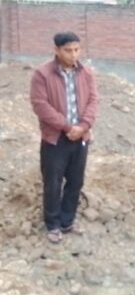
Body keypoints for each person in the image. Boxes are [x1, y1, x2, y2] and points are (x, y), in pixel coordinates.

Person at [30, 31, 99, 244]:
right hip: (55, 138)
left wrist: (84, 126)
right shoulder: (42, 74)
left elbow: (93, 100)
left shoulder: (86, 73)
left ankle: (67, 221)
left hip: (80, 137)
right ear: (57, 50)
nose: (73, 54)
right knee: (53, 182)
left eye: (76, 50)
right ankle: (52, 224)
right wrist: (67, 127)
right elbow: (40, 105)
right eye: (68, 50)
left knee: (76, 181)